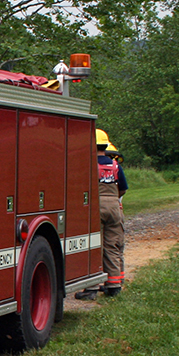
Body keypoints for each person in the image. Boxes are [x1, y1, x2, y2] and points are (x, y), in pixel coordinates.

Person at [76, 128, 127, 299]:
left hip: (94, 207)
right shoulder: (115, 165)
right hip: (114, 207)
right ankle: (114, 285)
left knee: (93, 247)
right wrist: (113, 200)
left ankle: (91, 288)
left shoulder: (88, 164)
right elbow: (123, 189)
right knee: (112, 245)